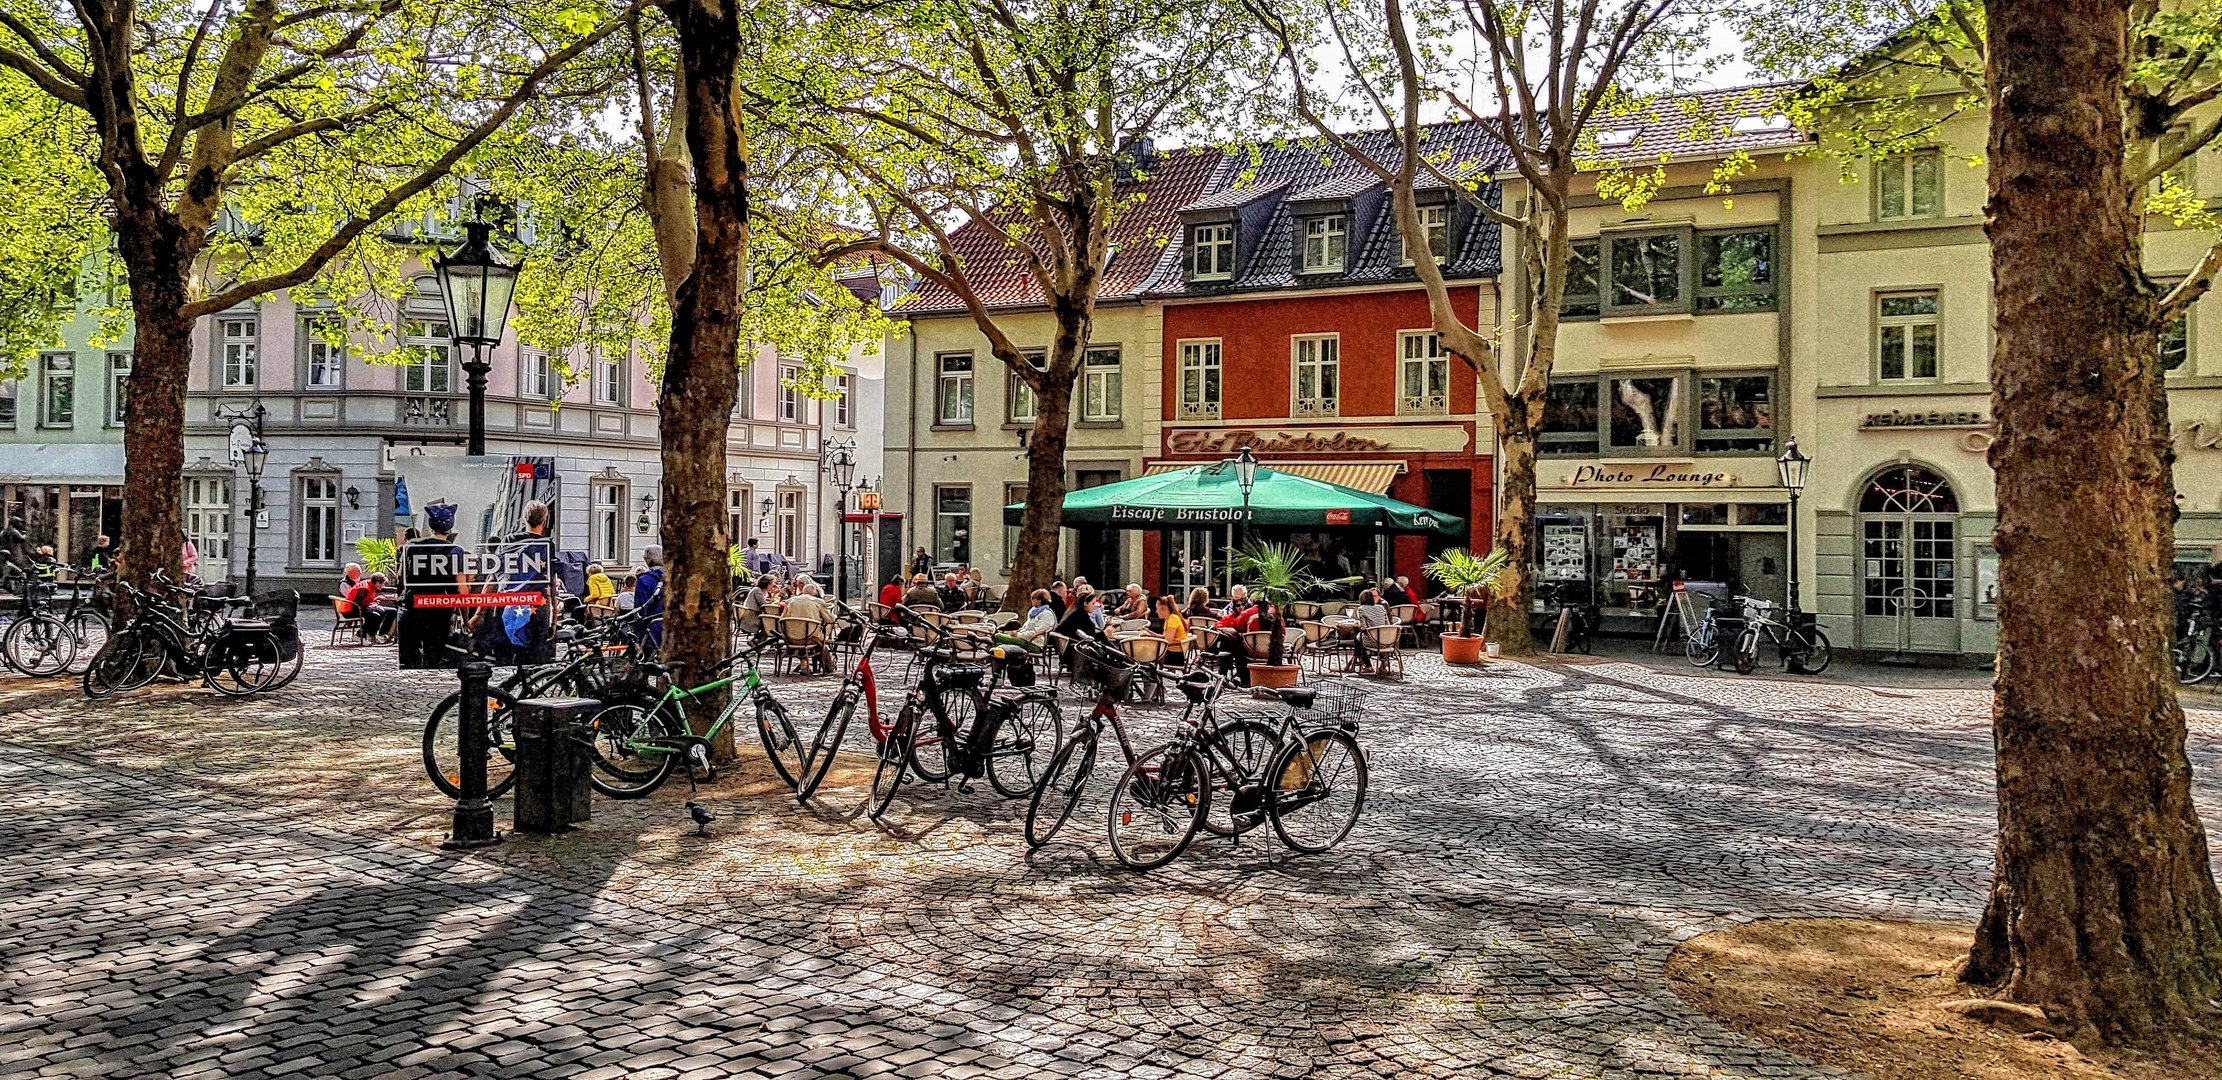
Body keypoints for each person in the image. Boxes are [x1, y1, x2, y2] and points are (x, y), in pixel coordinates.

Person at [346, 572, 399, 640]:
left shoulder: (371, 585)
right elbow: (357, 604)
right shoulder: (364, 588)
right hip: (351, 610)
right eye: (382, 584)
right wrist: (371, 607)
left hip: (362, 607)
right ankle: (360, 635)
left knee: (392, 611)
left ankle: (381, 634)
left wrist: (373, 603)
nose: (382, 586)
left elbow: (367, 600)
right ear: (377, 583)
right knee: (376, 615)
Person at [634, 546, 666, 648]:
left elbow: (640, 608)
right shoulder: (674, 576)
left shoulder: (644, 580)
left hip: (653, 628)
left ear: (647, 560)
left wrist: (638, 636)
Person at [1155, 595, 1190, 663]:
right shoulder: (1170, 618)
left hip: (1174, 655)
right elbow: (1167, 637)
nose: (1156, 611)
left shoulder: (1172, 619)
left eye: (1157, 608)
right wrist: (1150, 634)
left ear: (1163, 608)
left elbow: (1168, 641)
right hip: (1173, 653)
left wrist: (1151, 638)